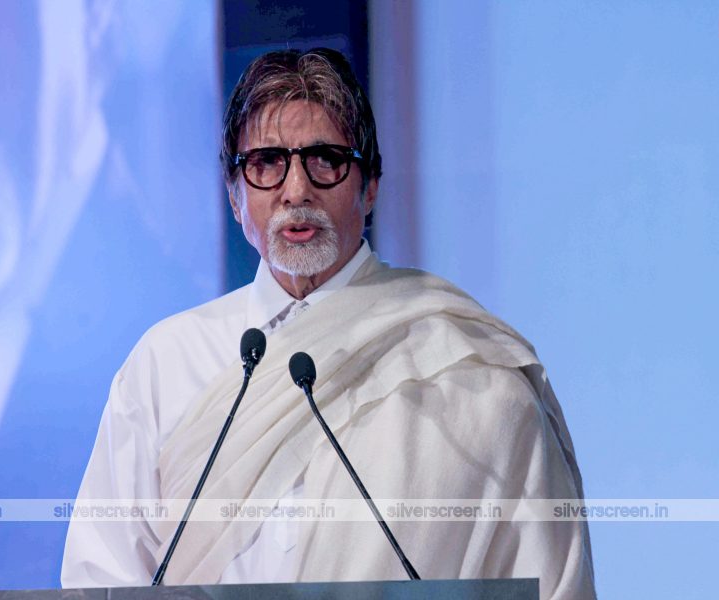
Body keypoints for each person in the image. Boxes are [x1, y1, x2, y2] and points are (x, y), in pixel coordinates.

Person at [62, 48, 596, 599]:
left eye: (325, 159)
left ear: (370, 184)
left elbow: (553, 586)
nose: (297, 190)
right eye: (267, 163)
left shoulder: (475, 377)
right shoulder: (165, 363)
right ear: (234, 193)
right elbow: (101, 582)